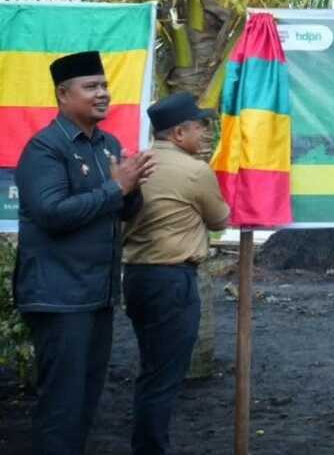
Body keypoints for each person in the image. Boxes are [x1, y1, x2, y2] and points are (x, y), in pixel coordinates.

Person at [14, 50, 154, 454]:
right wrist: (117, 188)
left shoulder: (106, 143)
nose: (102, 94)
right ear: (63, 94)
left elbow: (122, 210)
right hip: (59, 298)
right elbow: (52, 213)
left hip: (98, 294)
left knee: (88, 403)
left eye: (105, 85)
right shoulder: (45, 148)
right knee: (62, 409)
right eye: (91, 87)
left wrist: (132, 187)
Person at [122, 92, 230, 455]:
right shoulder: (194, 170)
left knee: (151, 367)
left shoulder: (135, 165)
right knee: (163, 376)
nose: (205, 134)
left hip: (137, 277)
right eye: (200, 127)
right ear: (179, 133)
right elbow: (219, 218)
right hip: (172, 280)